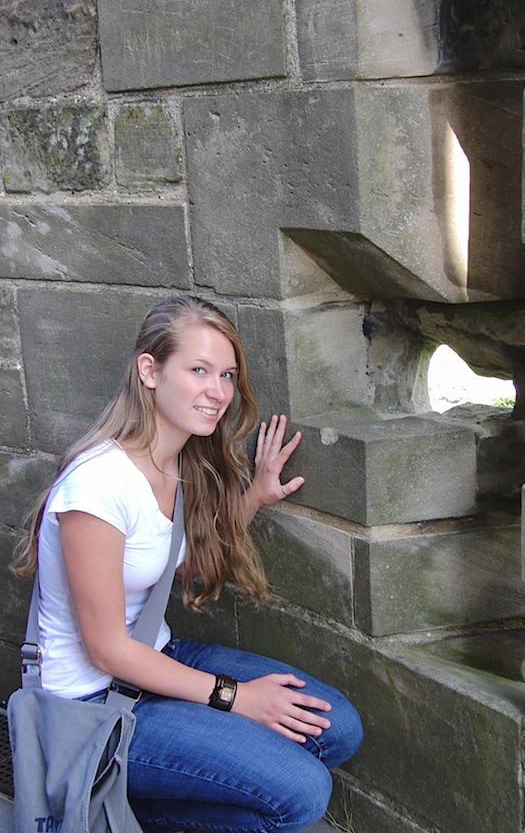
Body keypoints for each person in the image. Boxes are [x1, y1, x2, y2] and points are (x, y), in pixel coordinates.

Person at [12, 294, 363, 833]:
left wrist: (255, 498)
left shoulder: (178, 463)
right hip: (88, 705)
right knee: (300, 793)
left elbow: (172, 568)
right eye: (198, 370)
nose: (218, 392)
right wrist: (236, 698)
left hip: (154, 659)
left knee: (336, 728)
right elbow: (106, 648)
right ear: (150, 371)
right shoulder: (97, 486)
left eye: (226, 374)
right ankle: (101, 800)